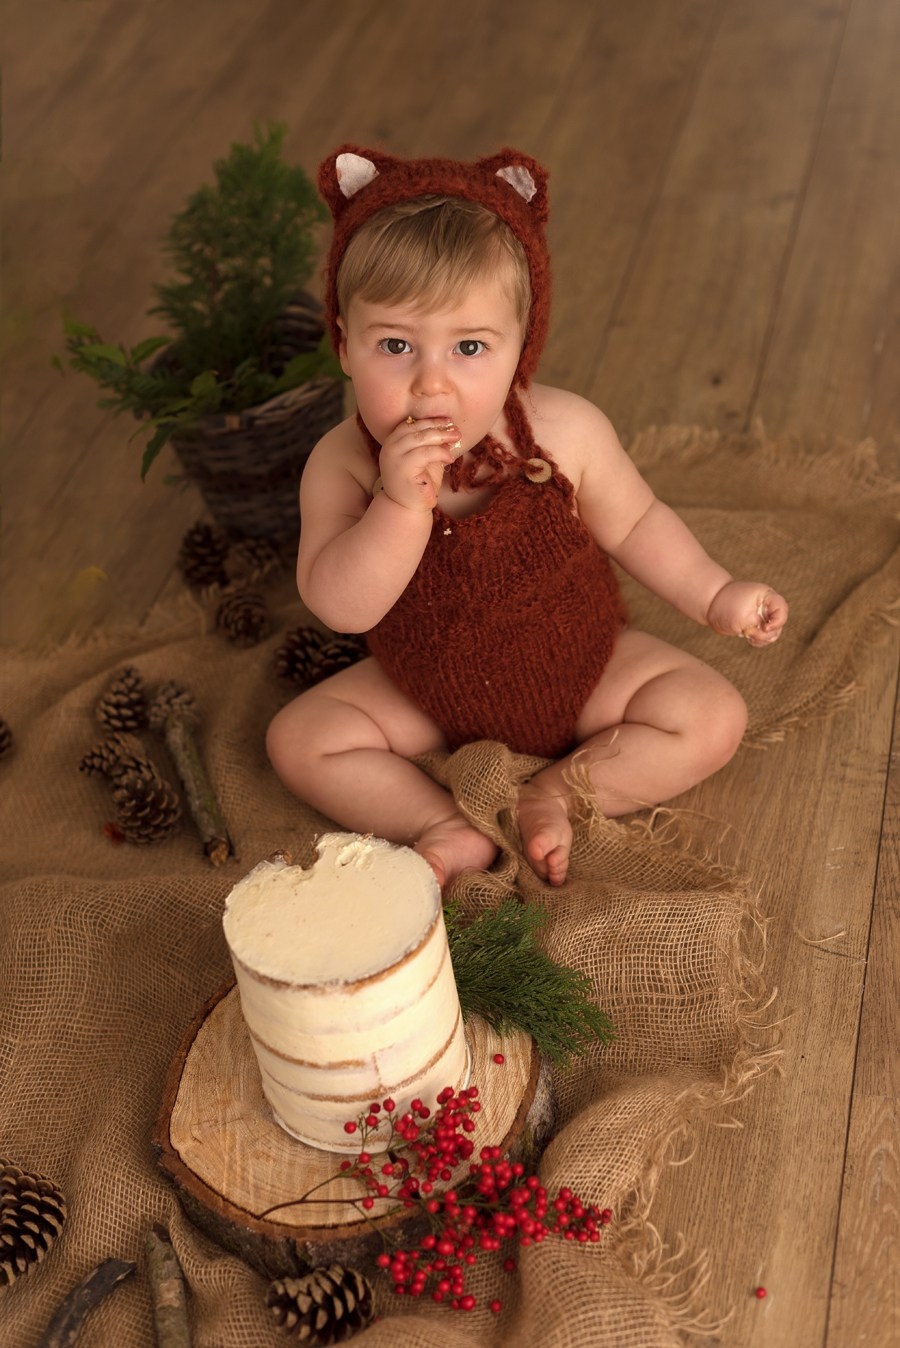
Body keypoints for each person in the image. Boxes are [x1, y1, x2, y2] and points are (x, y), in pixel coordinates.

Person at [267, 145, 788, 890]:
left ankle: (561, 794)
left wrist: (715, 594)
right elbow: (343, 607)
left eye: (471, 346)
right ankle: (438, 823)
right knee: (300, 739)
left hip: (584, 668)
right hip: (426, 689)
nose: (431, 382)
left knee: (711, 716)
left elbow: (637, 522)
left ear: (521, 351)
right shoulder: (342, 463)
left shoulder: (563, 433)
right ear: (345, 344)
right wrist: (399, 506)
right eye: (394, 345)